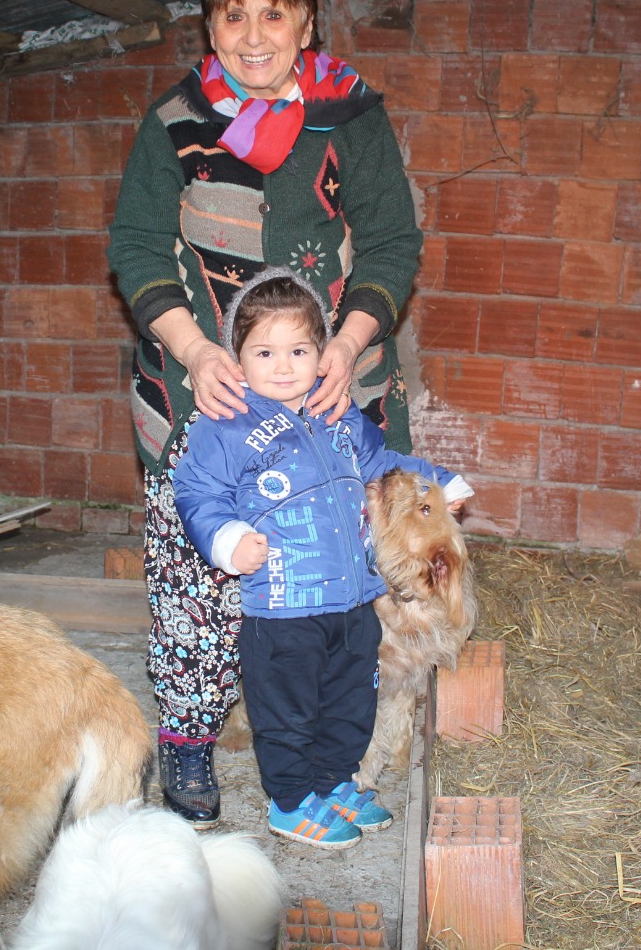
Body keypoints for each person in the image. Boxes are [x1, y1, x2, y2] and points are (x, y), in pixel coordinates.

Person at [106, 0, 425, 827]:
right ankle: (189, 734)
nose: (254, 35)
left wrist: (346, 346)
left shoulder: (350, 119)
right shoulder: (175, 123)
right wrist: (195, 351)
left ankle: (330, 747)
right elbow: (136, 245)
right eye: (233, 15)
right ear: (210, 29)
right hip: (204, 391)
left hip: (328, 388)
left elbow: (391, 243)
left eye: (273, 14)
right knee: (202, 569)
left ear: (306, 24)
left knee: (337, 569)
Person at [172, 269, 472, 848]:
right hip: (283, 609)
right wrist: (227, 537)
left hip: (354, 600)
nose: (283, 367)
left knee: (349, 703)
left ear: (321, 354)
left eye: (299, 350)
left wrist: (436, 485)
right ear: (237, 359)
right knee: (287, 713)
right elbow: (197, 490)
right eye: (264, 352)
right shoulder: (225, 425)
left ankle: (333, 784)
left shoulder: (336, 412)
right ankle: (289, 803)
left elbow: (383, 464)